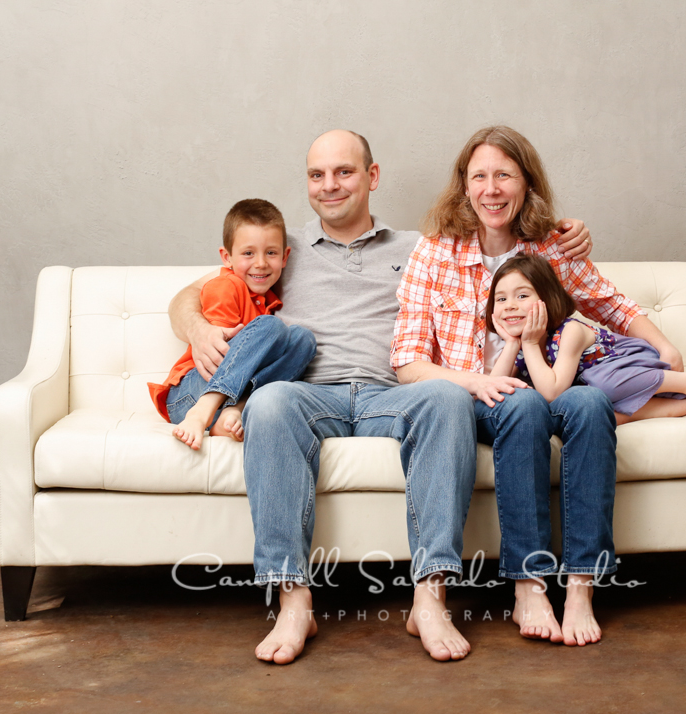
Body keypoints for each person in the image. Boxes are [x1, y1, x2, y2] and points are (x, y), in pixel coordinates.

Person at [167, 129, 595, 664]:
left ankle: (430, 593)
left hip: (390, 393)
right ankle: (293, 597)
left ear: (371, 177)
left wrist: (564, 233)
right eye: (317, 175)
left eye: (344, 172)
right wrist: (197, 328)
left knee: (443, 398)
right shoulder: (282, 249)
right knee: (270, 401)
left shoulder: (418, 247)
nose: (330, 186)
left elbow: (503, 255)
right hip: (308, 392)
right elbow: (192, 293)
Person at [391, 125, 684, 647]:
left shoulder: (552, 245)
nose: (491, 189)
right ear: (463, 187)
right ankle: (529, 584)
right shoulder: (434, 253)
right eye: (478, 176)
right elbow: (408, 362)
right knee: (523, 405)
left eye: (504, 175)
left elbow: (608, 303)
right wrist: (477, 382)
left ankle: (579, 586)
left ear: (526, 183)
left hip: (551, 382)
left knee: (591, 401)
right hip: (474, 399)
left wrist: (665, 348)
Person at [488, 254, 686, 421]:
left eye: (522, 296)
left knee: (597, 383)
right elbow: (494, 388)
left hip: (629, 365)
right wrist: (512, 344)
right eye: (501, 299)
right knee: (593, 413)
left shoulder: (570, 332)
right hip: (610, 394)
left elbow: (552, 391)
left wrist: (530, 344)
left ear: (548, 299)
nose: (510, 305)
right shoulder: (523, 346)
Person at [148, 199, 315, 450]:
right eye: (248, 253)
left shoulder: (267, 300)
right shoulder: (226, 286)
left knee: (303, 339)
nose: (260, 263)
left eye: (271, 252)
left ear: (284, 257)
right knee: (272, 327)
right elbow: (218, 360)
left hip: (230, 397)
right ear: (227, 257)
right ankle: (203, 412)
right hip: (190, 394)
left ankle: (225, 418)